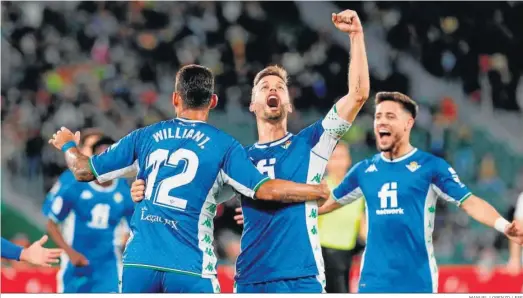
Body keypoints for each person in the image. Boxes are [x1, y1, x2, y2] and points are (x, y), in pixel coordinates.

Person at [130, 9, 369, 293]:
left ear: (289, 104)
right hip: (250, 279)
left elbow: (358, 95)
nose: (274, 89)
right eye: (265, 86)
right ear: (252, 104)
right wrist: (144, 190)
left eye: (280, 87)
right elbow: (191, 197)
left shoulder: (312, 143)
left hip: (301, 278)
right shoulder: (236, 158)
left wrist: (356, 36)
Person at [48, 64, 331, 293]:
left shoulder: (144, 137)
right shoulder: (225, 146)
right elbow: (265, 190)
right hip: (190, 266)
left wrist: (67, 145)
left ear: (175, 99)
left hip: (139, 265)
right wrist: (313, 190)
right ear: (213, 101)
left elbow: (83, 170)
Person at [318, 91, 523, 293]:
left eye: (390, 116)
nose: (381, 122)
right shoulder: (363, 171)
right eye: (378, 116)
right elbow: (325, 206)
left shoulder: (431, 167)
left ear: (408, 124)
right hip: (373, 281)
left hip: (416, 280)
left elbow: (470, 202)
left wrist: (504, 225)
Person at [44, 136, 135, 293]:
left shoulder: (124, 190)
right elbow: (51, 223)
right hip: (76, 263)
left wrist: (127, 241)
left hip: (109, 265)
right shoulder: (74, 185)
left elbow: (131, 228)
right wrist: (70, 253)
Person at [318, 142, 366, 293]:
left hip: (347, 254)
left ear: (349, 160)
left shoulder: (357, 191)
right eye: (334, 157)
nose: (338, 162)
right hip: (323, 253)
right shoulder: (320, 188)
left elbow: (362, 223)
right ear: (327, 162)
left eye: (342, 157)